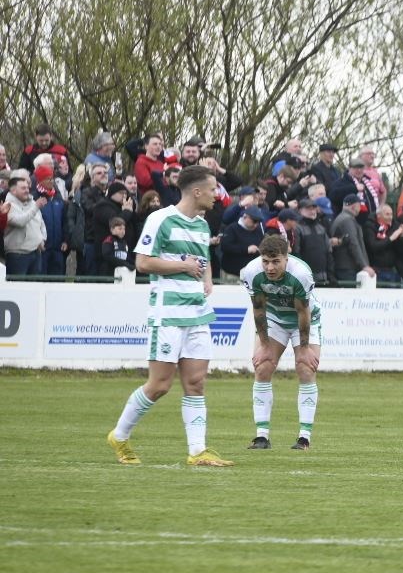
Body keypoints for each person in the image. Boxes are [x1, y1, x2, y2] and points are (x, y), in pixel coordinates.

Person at [106, 165, 233, 467]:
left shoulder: (202, 224)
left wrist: (206, 279)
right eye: (214, 189)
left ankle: (197, 451)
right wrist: (184, 267)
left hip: (198, 313)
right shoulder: (159, 219)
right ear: (197, 191)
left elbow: (201, 259)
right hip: (168, 313)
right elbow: (143, 263)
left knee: (196, 383)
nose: (218, 195)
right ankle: (120, 435)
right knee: (160, 385)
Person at [239, 235, 323, 450]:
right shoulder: (251, 272)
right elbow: (258, 308)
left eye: (276, 261)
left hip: (303, 319)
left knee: (305, 368)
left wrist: (303, 349)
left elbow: (303, 312)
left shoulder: (301, 274)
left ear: (287, 257)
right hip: (275, 318)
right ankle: (261, 437)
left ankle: (304, 438)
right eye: (265, 261)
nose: (269, 267)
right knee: (263, 366)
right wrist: (265, 344)